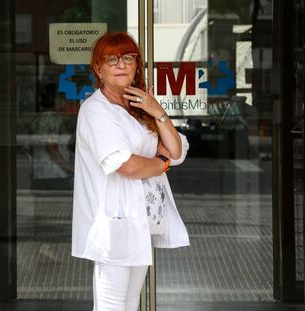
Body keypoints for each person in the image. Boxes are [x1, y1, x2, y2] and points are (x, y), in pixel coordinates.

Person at [71, 32, 189, 311]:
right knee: (112, 306)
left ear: (137, 65)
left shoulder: (141, 105)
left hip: (142, 222)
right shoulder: (95, 110)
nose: (121, 64)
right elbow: (128, 165)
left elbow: (177, 151)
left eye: (128, 57)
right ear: (98, 69)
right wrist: (161, 162)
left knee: (130, 303)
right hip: (113, 225)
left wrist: (158, 112)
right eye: (111, 59)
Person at [29, 83, 74, 189]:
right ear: (53, 99)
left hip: (39, 173)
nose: (64, 102)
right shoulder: (53, 118)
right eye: (61, 98)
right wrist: (68, 167)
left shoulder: (38, 118)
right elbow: (51, 145)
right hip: (56, 174)